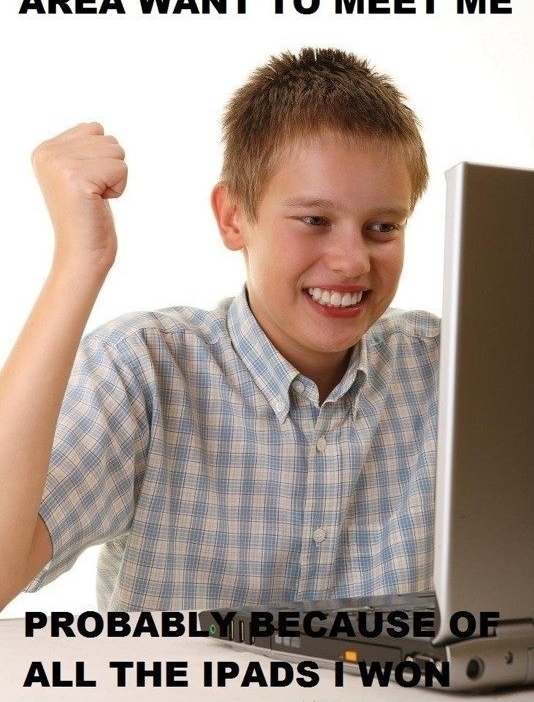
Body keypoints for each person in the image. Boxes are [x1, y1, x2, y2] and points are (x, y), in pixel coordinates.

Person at [0, 48, 439, 612]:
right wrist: (80, 259)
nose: (353, 261)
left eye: (383, 227)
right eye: (314, 220)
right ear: (233, 217)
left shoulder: (446, 369)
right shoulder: (144, 371)